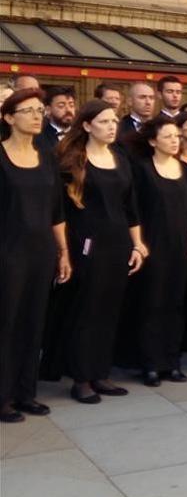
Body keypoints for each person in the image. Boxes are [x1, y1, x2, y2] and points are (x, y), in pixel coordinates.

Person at [42, 101, 146, 404]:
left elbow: (131, 207)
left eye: (114, 120)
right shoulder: (71, 160)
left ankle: (101, 372)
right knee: (85, 312)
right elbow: (57, 209)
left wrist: (138, 243)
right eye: (104, 121)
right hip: (86, 244)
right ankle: (81, 377)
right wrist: (64, 250)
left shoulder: (120, 159)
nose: (112, 126)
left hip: (118, 244)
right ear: (87, 125)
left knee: (110, 310)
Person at [0, 89, 70, 423]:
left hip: (41, 251)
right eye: (28, 110)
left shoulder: (47, 155)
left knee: (33, 322)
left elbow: (57, 209)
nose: (36, 115)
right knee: (7, 323)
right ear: (9, 117)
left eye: (39, 110)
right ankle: (3, 396)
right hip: (7, 251)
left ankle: (26, 393)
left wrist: (64, 251)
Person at [123, 118, 187, 385]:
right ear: (153, 141)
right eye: (168, 136)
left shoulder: (185, 170)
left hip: (180, 245)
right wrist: (138, 243)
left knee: (175, 303)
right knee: (152, 303)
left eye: (177, 136)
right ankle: (150, 363)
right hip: (152, 244)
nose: (175, 141)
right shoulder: (142, 169)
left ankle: (172, 361)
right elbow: (134, 209)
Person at [37, 85, 75, 152]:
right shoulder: (39, 137)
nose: (68, 109)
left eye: (71, 105)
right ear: (48, 110)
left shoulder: (82, 135)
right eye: (61, 106)